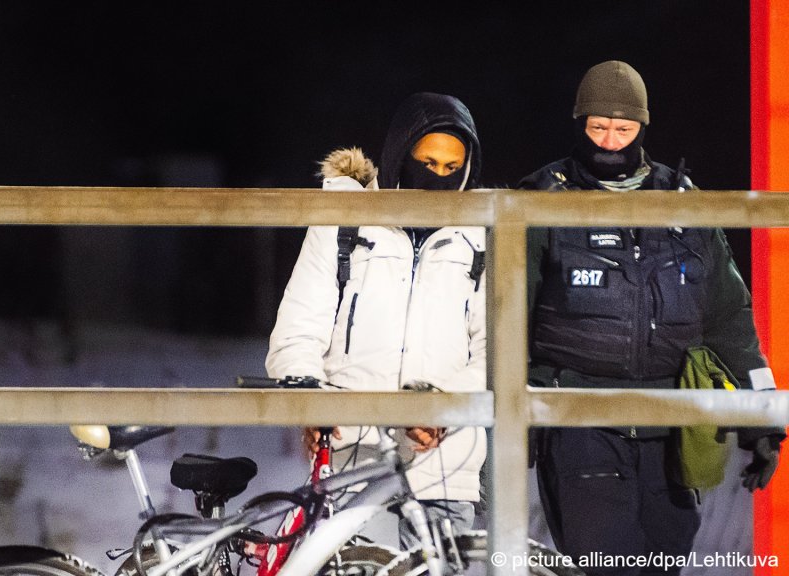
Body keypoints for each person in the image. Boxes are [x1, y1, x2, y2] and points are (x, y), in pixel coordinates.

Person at [520, 61, 785, 575]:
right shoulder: (540, 201)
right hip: (579, 420)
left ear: (643, 127)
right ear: (579, 123)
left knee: (663, 563)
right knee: (608, 566)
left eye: (623, 129)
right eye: (598, 127)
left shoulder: (683, 202)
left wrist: (763, 417)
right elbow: (504, 321)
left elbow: (728, 318)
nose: (611, 142)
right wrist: (503, 419)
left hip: (671, 426)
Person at [266, 92, 487, 538]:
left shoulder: (482, 236)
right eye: (426, 163)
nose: (437, 178)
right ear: (398, 155)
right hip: (351, 447)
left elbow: (498, 348)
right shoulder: (344, 221)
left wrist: (446, 407)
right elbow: (298, 327)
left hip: (443, 455)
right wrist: (313, 402)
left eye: (451, 169)